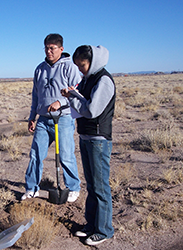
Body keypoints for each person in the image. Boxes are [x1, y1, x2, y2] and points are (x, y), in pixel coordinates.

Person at [61, 45, 115, 246]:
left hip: (98, 139)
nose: (80, 69)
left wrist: (74, 98)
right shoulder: (88, 79)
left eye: (82, 65)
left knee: (100, 187)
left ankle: (104, 230)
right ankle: (92, 225)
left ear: (92, 62)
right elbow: (84, 103)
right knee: (92, 185)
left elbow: (92, 110)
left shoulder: (104, 80)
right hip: (86, 136)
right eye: (77, 66)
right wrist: (74, 95)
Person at [22, 33, 81, 202]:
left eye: (52, 48)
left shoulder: (69, 67)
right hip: (43, 119)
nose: (49, 51)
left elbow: (77, 91)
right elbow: (36, 95)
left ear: (61, 49)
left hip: (63, 119)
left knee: (66, 155)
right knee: (35, 155)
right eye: (46, 48)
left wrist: (60, 102)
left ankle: (72, 187)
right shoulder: (39, 68)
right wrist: (32, 116)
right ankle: (32, 188)